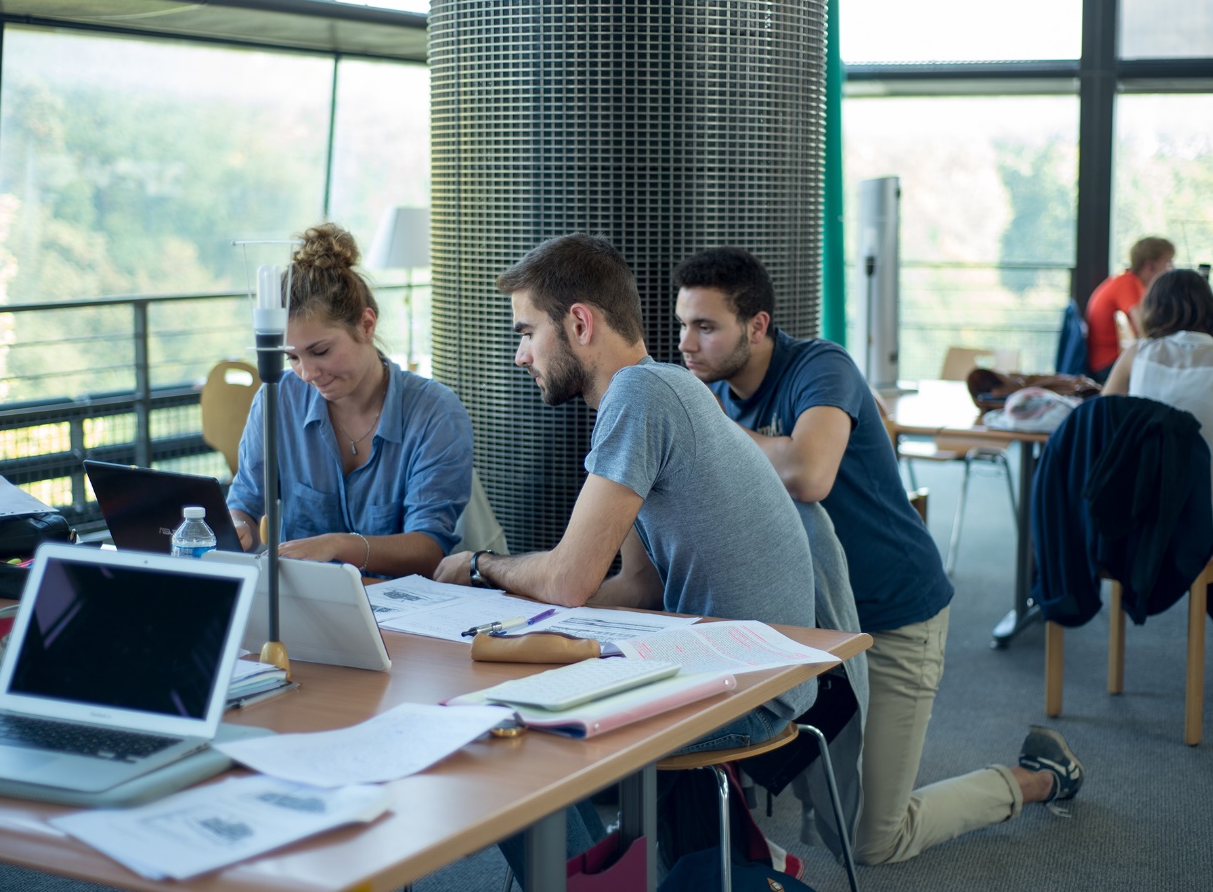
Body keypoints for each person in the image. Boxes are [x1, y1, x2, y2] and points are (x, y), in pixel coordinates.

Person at [433, 232, 857, 879]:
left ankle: (586, 878)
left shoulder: (640, 396)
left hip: (746, 686)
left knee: (509, 739)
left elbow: (571, 579)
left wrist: (482, 566)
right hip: (753, 666)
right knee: (524, 694)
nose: (519, 355)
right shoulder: (656, 392)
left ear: (578, 322)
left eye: (526, 333)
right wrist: (509, 604)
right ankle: (637, 865)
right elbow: (637, 587)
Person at [672, 245, 1085, 866]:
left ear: (757, 326)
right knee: (824, 814)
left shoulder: (819, 367)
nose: (686, 343)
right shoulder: (725, 398)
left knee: (873, 840)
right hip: (819, 633)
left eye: (705, 326)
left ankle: (1038, 777)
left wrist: (705, 423)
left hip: (897, 617)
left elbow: (809, 474)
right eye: (682, 324)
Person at [227, 222, 472, 580]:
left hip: (401, 614)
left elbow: (429, 550)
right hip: (303, 605)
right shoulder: (277, 400)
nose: (307, 373)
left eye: (320, 351)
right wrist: (234, 527)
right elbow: (244, 504)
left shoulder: (435, 413)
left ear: (366, 325)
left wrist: (339, 545)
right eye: (292, 358)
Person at [1102, 268, 1213, 672]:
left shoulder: (1134, 356)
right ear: (1211, 310)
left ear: (1153, 311)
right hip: (1203, 528)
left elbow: (1100, 425)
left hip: (1140, 521)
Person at [1085, 236, 1176, 382]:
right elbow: (1145, 329)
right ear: (1150, 265)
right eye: (1167, 262)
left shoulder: (1130, 282)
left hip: (1112, 359)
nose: (1171, 269)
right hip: (1108, 364)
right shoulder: (1128, 284)